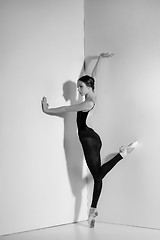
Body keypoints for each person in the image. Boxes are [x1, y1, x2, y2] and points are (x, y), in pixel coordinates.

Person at [41, 53, 138, 228]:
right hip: (92, 138)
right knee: (98, 177)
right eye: (78, 87)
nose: (78, 90)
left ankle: (122, 154)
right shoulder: (92, 94)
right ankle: (93, 211)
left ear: (88, 87)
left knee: (98, 175)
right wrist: (99, 58)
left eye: (80, 87)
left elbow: (66, 108)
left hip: (88, 140)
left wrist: (48, 110)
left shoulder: (87, 104)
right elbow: (94, 76)